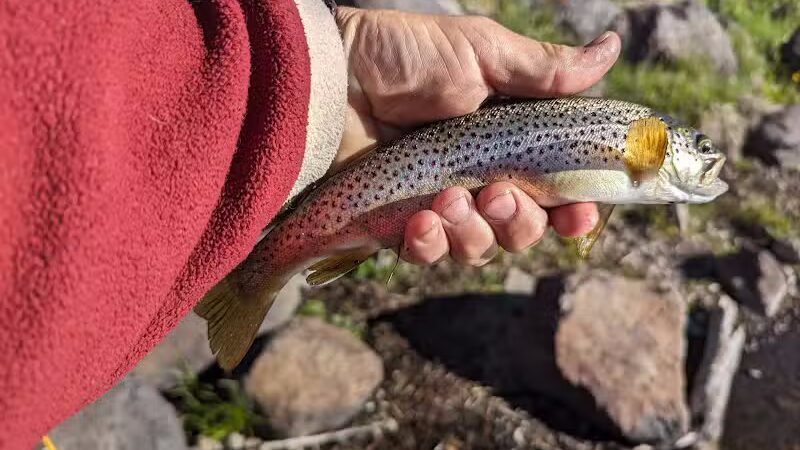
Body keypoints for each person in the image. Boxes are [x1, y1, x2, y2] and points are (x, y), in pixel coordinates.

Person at [0, 1, 619, 447]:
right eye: (698, 151)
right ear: (658, 147)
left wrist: (335, 72)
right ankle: (252, 277)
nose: (714, 168)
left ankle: (254, 271)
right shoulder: (638, 139)